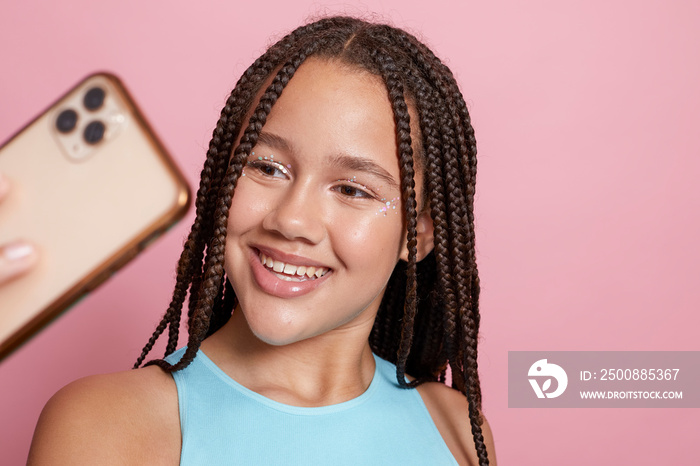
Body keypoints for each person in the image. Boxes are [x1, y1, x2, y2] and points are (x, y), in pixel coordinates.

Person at [28, 16, 496, 465]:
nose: (291, 220)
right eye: (267, 167)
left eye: (352, 189)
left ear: (420, 233)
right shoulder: (105, 424)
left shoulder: (456, 429)